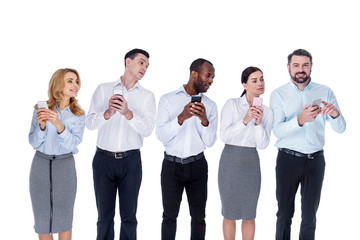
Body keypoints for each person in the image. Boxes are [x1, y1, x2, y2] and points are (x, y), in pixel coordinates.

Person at [270, 49, 346, 240]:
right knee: (284, 214)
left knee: (310, 217)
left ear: (311, 66)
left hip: (315, 160)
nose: (301, 70)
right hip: (288, 159)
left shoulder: (325, 91)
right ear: (288, 68)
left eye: (305, 65)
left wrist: (335, 114)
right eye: (296, 65)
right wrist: (300, 119)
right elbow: (277, 131)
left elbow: (341, 128)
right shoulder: (278, 94)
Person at [85, 48, 156, 240]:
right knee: (104, 218)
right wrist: (108, 113)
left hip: (131, 162)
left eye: (147, 66)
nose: (145, 68)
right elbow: (89, 123)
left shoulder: (147, 96)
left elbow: (148, 130)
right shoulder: (103, 89)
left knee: (129, 218)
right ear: (128, 61)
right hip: (103, 160)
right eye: (141, 62)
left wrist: (128, 113)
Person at [156, 58, 218, 240]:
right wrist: (181, 117)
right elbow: (161, 136)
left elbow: (210, 142)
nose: (211, 81)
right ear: (194, 74)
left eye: (213, 77)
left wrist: (204, 120)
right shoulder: (167, 100)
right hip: (171, 166)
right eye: (208, 76)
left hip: (197, 166)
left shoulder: (211, 106)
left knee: (199, 217)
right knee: (169, 217)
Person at [29, 68, 85, 240]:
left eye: (76, 81)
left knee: (64, 217)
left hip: (65, 165)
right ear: (58, 84)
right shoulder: (40, 110)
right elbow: (33, 142)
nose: (75, 85)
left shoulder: (78, 115)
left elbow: (73, 144)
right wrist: (43, 126)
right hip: (40, 164)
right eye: (70, 81)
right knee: (42, 217)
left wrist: (59, 124)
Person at [218, 66, 273, 240]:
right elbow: (224, 135)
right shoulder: (232, 104)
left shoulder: (268, 112)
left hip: (251, 162)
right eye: (254, 80)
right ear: (244, 85)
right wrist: (245, 120)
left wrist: (257, 122)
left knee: (250, 213)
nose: (260, 83)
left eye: (262, 79)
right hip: (230, 161)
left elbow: (263, 144)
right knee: (229, 212)